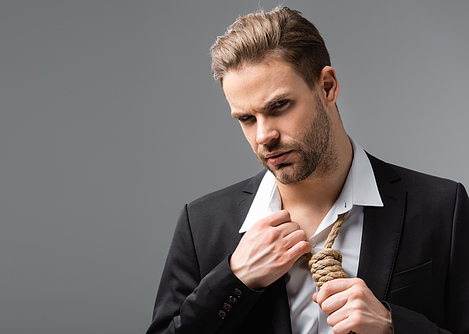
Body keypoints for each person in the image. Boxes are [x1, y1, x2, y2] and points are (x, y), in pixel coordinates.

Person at [147, 6, 469, 334]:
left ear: (327, 87)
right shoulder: (201, 225)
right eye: (246, 119)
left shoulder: (442, 207)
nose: (263, 137)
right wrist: (235, 278)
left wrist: (393, 325)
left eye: (279, 106)